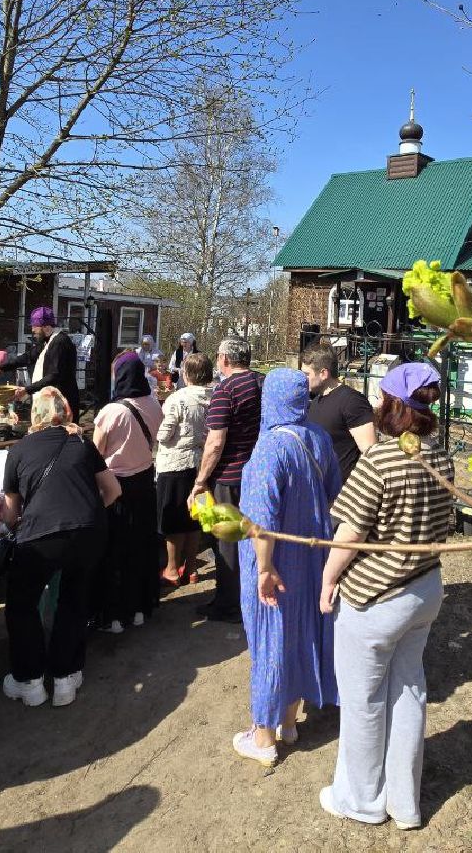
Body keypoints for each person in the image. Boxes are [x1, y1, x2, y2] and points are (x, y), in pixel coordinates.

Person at [318, 363, 453, 831]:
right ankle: (405, 801)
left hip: (376, 600)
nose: (375, 406)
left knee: (363, 700)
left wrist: (329, 579)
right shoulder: (441, 456)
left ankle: (361, 799)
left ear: (394, 405)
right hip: (424, 591)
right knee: (409, 690)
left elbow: (350, 534)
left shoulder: (380, 460)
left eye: (380, 399)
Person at [231, 367, 341, 766]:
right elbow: (335, 494)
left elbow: (260, 521)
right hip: (312, 556)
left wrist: (263, 568)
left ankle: (262, 737)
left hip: (274, 561)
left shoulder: (269, 449)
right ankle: (290, 724)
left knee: (269, 637)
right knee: (298, 633)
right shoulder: (318, 438)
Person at [0, 387, 121, 708]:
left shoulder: (20, 449)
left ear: (34, 415)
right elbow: (113, 490)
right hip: (89, 532)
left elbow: (11, 513)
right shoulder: (81, 442)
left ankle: (30, 681)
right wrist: (89, 513)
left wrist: (17, 528)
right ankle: (65, 677)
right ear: (66, 412)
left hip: (41, 536)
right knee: (74, 599)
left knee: (21, 604)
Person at [191, 337, 264, 623]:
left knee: (227, 540)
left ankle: (228, 604)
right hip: (256, 472)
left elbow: (215, 442)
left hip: (230, 475)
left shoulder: (226, 389)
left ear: (224, 359)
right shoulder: (261, 382)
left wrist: (200, 480)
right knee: (252, 536)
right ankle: (250, 594)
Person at [91, 353, 164, 633]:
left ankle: (114, 616)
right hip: (145, 483)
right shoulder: (154, 404)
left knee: (115, 551)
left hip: (116, 486)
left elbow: (95, 454)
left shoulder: (112, 412)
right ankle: (139, 608)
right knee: (140, 548)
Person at [155, 352, 214, 586]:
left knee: (174, 520)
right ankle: (191, 568)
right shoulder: (216, 396)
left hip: (176, 464)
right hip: (202, 465)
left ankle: (171, 568)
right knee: (196, 517)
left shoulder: (178, 399)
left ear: (187, 374)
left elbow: (164, 433)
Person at [0, 307, 82, 421]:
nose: (33, 330)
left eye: (35, 326)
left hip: (61, 403)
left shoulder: (60, 342)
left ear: (46, 326)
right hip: (48, 401)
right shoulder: (46, 341)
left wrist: (27, 390)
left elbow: (54, 375)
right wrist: (0, 368)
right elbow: (28, 357)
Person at [301, 345, 376, 480]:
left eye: (307, 374)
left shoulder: (352, 401)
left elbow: (370, 454)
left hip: (342, 493)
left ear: (323, 373)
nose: (303, 379)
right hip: (319, 489)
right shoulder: (316, 400)